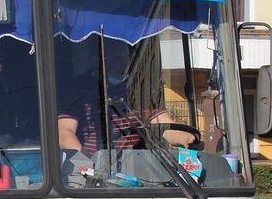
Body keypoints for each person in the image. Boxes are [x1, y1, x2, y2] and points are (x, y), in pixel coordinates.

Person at [56, 39, 191, 155]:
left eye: (126, 57)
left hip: (138, 164)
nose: (124, 65)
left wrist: (186, 137)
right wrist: (87, 165)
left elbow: (163, 126)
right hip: (97, 167)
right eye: (117, 59)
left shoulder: (140, 88)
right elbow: (64, 133)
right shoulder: (77, 89)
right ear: (97, 61)